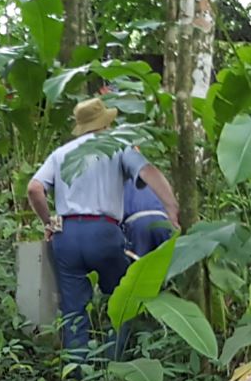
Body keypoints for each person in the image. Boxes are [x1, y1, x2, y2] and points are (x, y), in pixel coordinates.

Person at [26, 97, 179, 352]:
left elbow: (34, 188)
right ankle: (113, 367)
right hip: (104, 233)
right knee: (120, 299)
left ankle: (77, 376)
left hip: (67, 235)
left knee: (74, 310)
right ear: (105, 122)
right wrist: (172, 207)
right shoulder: (118, 146)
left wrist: (49, 222)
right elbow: (148, 172)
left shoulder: (61, 154)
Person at [123, 177, 174, 257]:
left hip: (138, 224)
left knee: (141, 264)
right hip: (162, 221)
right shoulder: (156, 180)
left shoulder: (123, 183)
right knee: (166, 261)